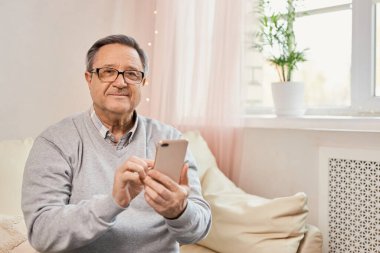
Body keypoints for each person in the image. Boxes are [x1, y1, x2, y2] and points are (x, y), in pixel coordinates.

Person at [21, 34, 211, 253]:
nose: (120, 82)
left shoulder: (170, 138)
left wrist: (178, 210)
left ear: (142, 82)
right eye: (108, 71)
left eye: (131, 74)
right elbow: (42, 234)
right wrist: (114, 202)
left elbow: (198, 230)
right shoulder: (55, 142)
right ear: (89, 78)